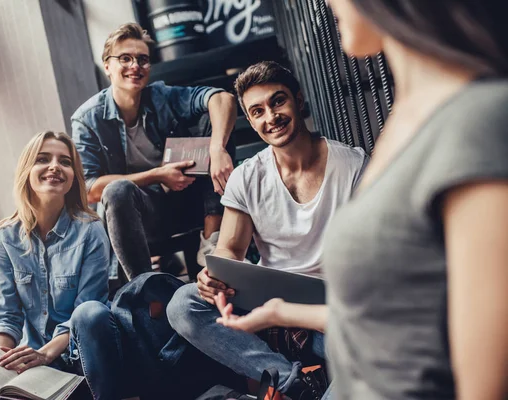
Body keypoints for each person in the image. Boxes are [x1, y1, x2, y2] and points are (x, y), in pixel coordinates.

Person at [219, 1, 508, 399]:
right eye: (256, 111)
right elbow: (389, 315)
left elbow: (485, 368)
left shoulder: (477, 118)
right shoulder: (401, 126)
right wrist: (282, 313)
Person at [167, 61, 368, 398]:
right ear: (250, 120)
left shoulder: (353, 165)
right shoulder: (248, 177)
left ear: (299, 101)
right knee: (183, 304)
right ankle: (295, 385)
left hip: (329, 312)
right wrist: (212, 276)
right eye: (257, 111)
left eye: (278, 101)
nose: (270, 117)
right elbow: (229, 251)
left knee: (359, 349)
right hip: (266, 308)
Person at [71, 23, 238, 280]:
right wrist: (157, 175)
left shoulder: (160, 96)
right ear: (107, 66)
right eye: (124, 58)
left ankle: (210, 242)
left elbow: (222, 98)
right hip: (136, 216)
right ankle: (144, 288)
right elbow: (90, 189)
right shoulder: (87, 120)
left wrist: (217, 148)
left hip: (186, 200)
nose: (135, 66)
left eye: (142, 59)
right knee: (116, 190)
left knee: (213, 121)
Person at [0, 131, 119, 399]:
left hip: (81, 355)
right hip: (34, 360)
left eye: (65, 162)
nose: (55, 167)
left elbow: (88, 310)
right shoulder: (3, 238)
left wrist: (46, 353)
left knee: (90, 313)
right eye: (43, 159)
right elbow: (6, 315)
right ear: (27, 170)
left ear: (73, 177)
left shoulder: (90, 230)